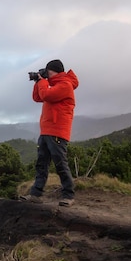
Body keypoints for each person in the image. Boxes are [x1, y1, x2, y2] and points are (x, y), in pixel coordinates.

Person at [22, 59, 79, 207]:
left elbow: (47, 95)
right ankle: (35, 194)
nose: (47, 74)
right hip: (46, 130)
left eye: (49, 71)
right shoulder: (51, 85)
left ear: (54, 71)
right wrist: (38, 82)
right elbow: (37, 97)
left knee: (60, 164)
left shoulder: (65, 85)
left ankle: (69, 195)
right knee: (41, 164)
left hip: (58, 131)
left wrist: (42, 81)